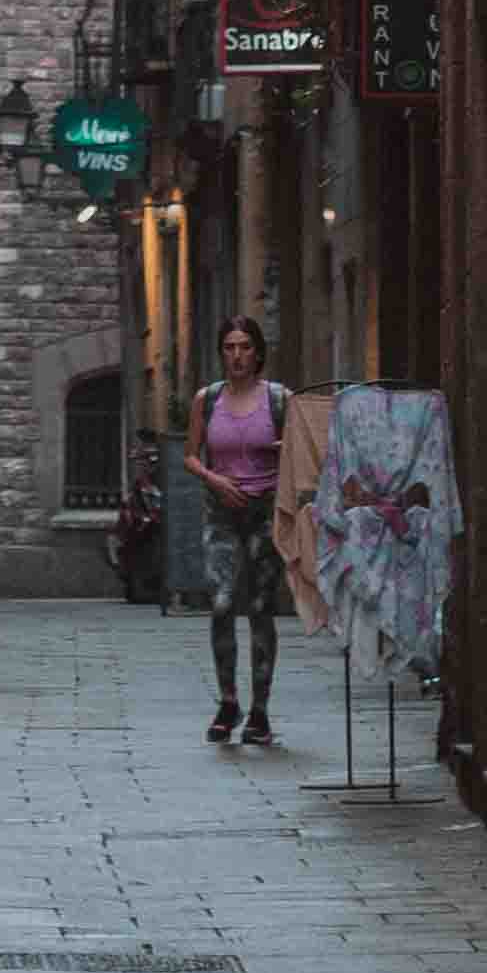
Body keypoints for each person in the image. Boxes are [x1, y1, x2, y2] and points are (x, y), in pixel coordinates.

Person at [187, 314, 288, 750]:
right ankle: (229, 701)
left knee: (262, 607)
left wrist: (286, 453)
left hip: (264, 511)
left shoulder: (279, 399)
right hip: (221, 512)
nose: (237, 355)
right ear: (221, 353)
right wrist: (216, 481)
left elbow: (303, 452)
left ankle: (260, 712)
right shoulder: (207, 400)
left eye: (245, 346)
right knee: (223, 602)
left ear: (258, 352)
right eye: (229, 347)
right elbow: (191, 455)